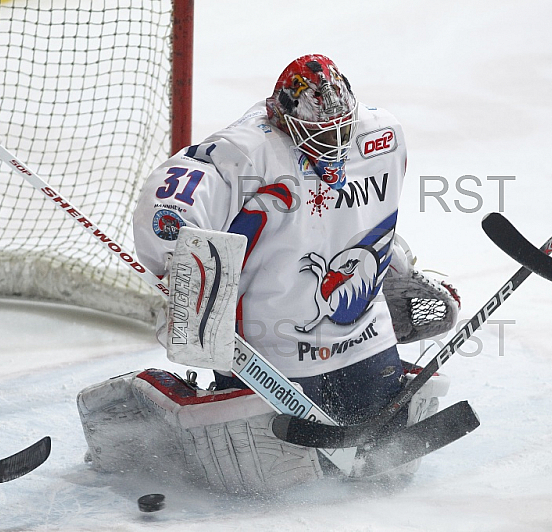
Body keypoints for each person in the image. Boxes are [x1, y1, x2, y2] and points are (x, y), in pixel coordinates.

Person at [77, 54, 459, 493]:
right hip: (269, 355)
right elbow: (168, 207)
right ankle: (145, 402)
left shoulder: (384, 136)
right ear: (283, 117)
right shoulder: (246, 150)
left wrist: (393, 265)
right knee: (265, 482)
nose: (333, 143)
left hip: (364, 342)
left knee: (389, 473)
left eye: (341, 129)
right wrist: (185, 273)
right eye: (319, 133)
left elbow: (360, 219)